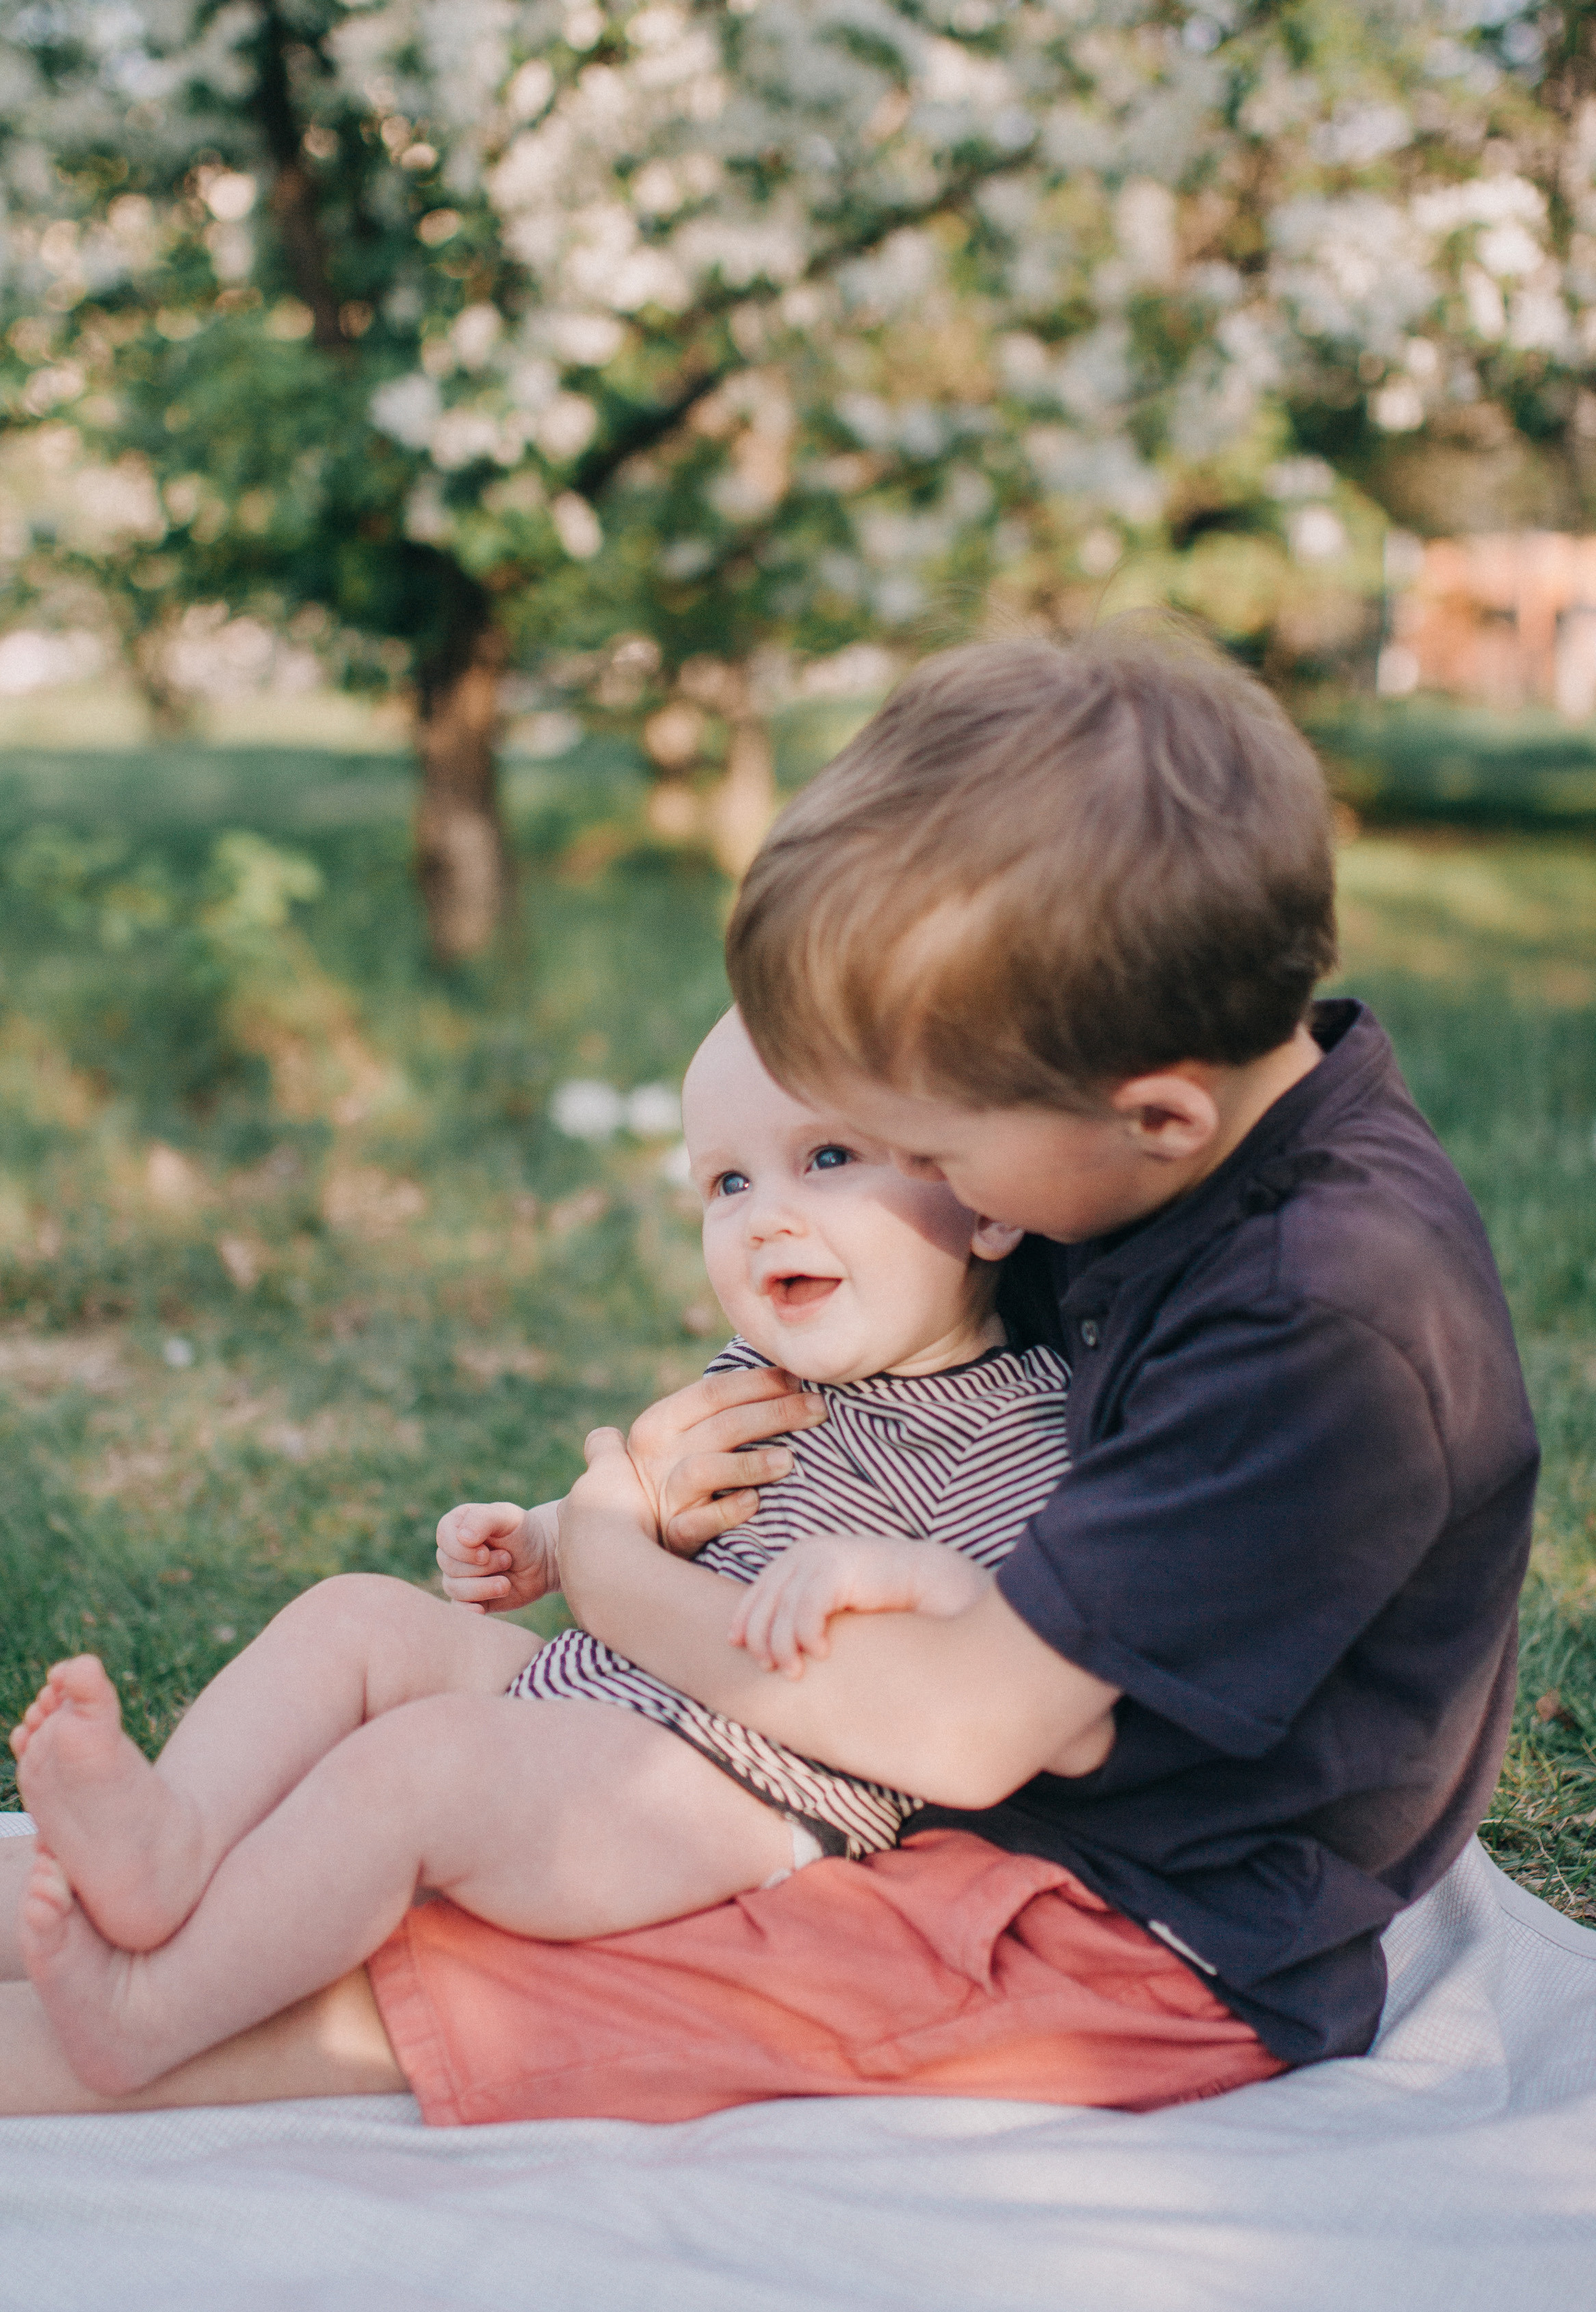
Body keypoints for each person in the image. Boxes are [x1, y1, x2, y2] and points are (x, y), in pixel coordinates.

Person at [0, 618, 1536, 2125]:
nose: (931, 1182)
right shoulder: (1113, 1146)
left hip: (1125, 1911)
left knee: (508, 1951)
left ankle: (126, 2028)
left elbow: (972, 1729)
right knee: (381, 1720)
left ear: (1155, 1116)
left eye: (927, 1142)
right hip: (886, 1758)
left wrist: (607, 1564)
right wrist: (658, 1482)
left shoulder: (1320, 1321)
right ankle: (170, 1878)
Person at [7, 1011, 1090, 2099]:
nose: (765, 1220)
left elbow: (1022, 1666)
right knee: (359, 1617)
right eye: (726, 1184)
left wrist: (907, 1579)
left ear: (985, 1203)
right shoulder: (765, 1378)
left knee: (418, 1766)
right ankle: (170, 1848)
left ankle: (150, 2014)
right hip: (601, 1697)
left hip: (737, 1800)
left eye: (825, 1159)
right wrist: (545, 1535)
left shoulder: (1020, 1433)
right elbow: (676, 1520)